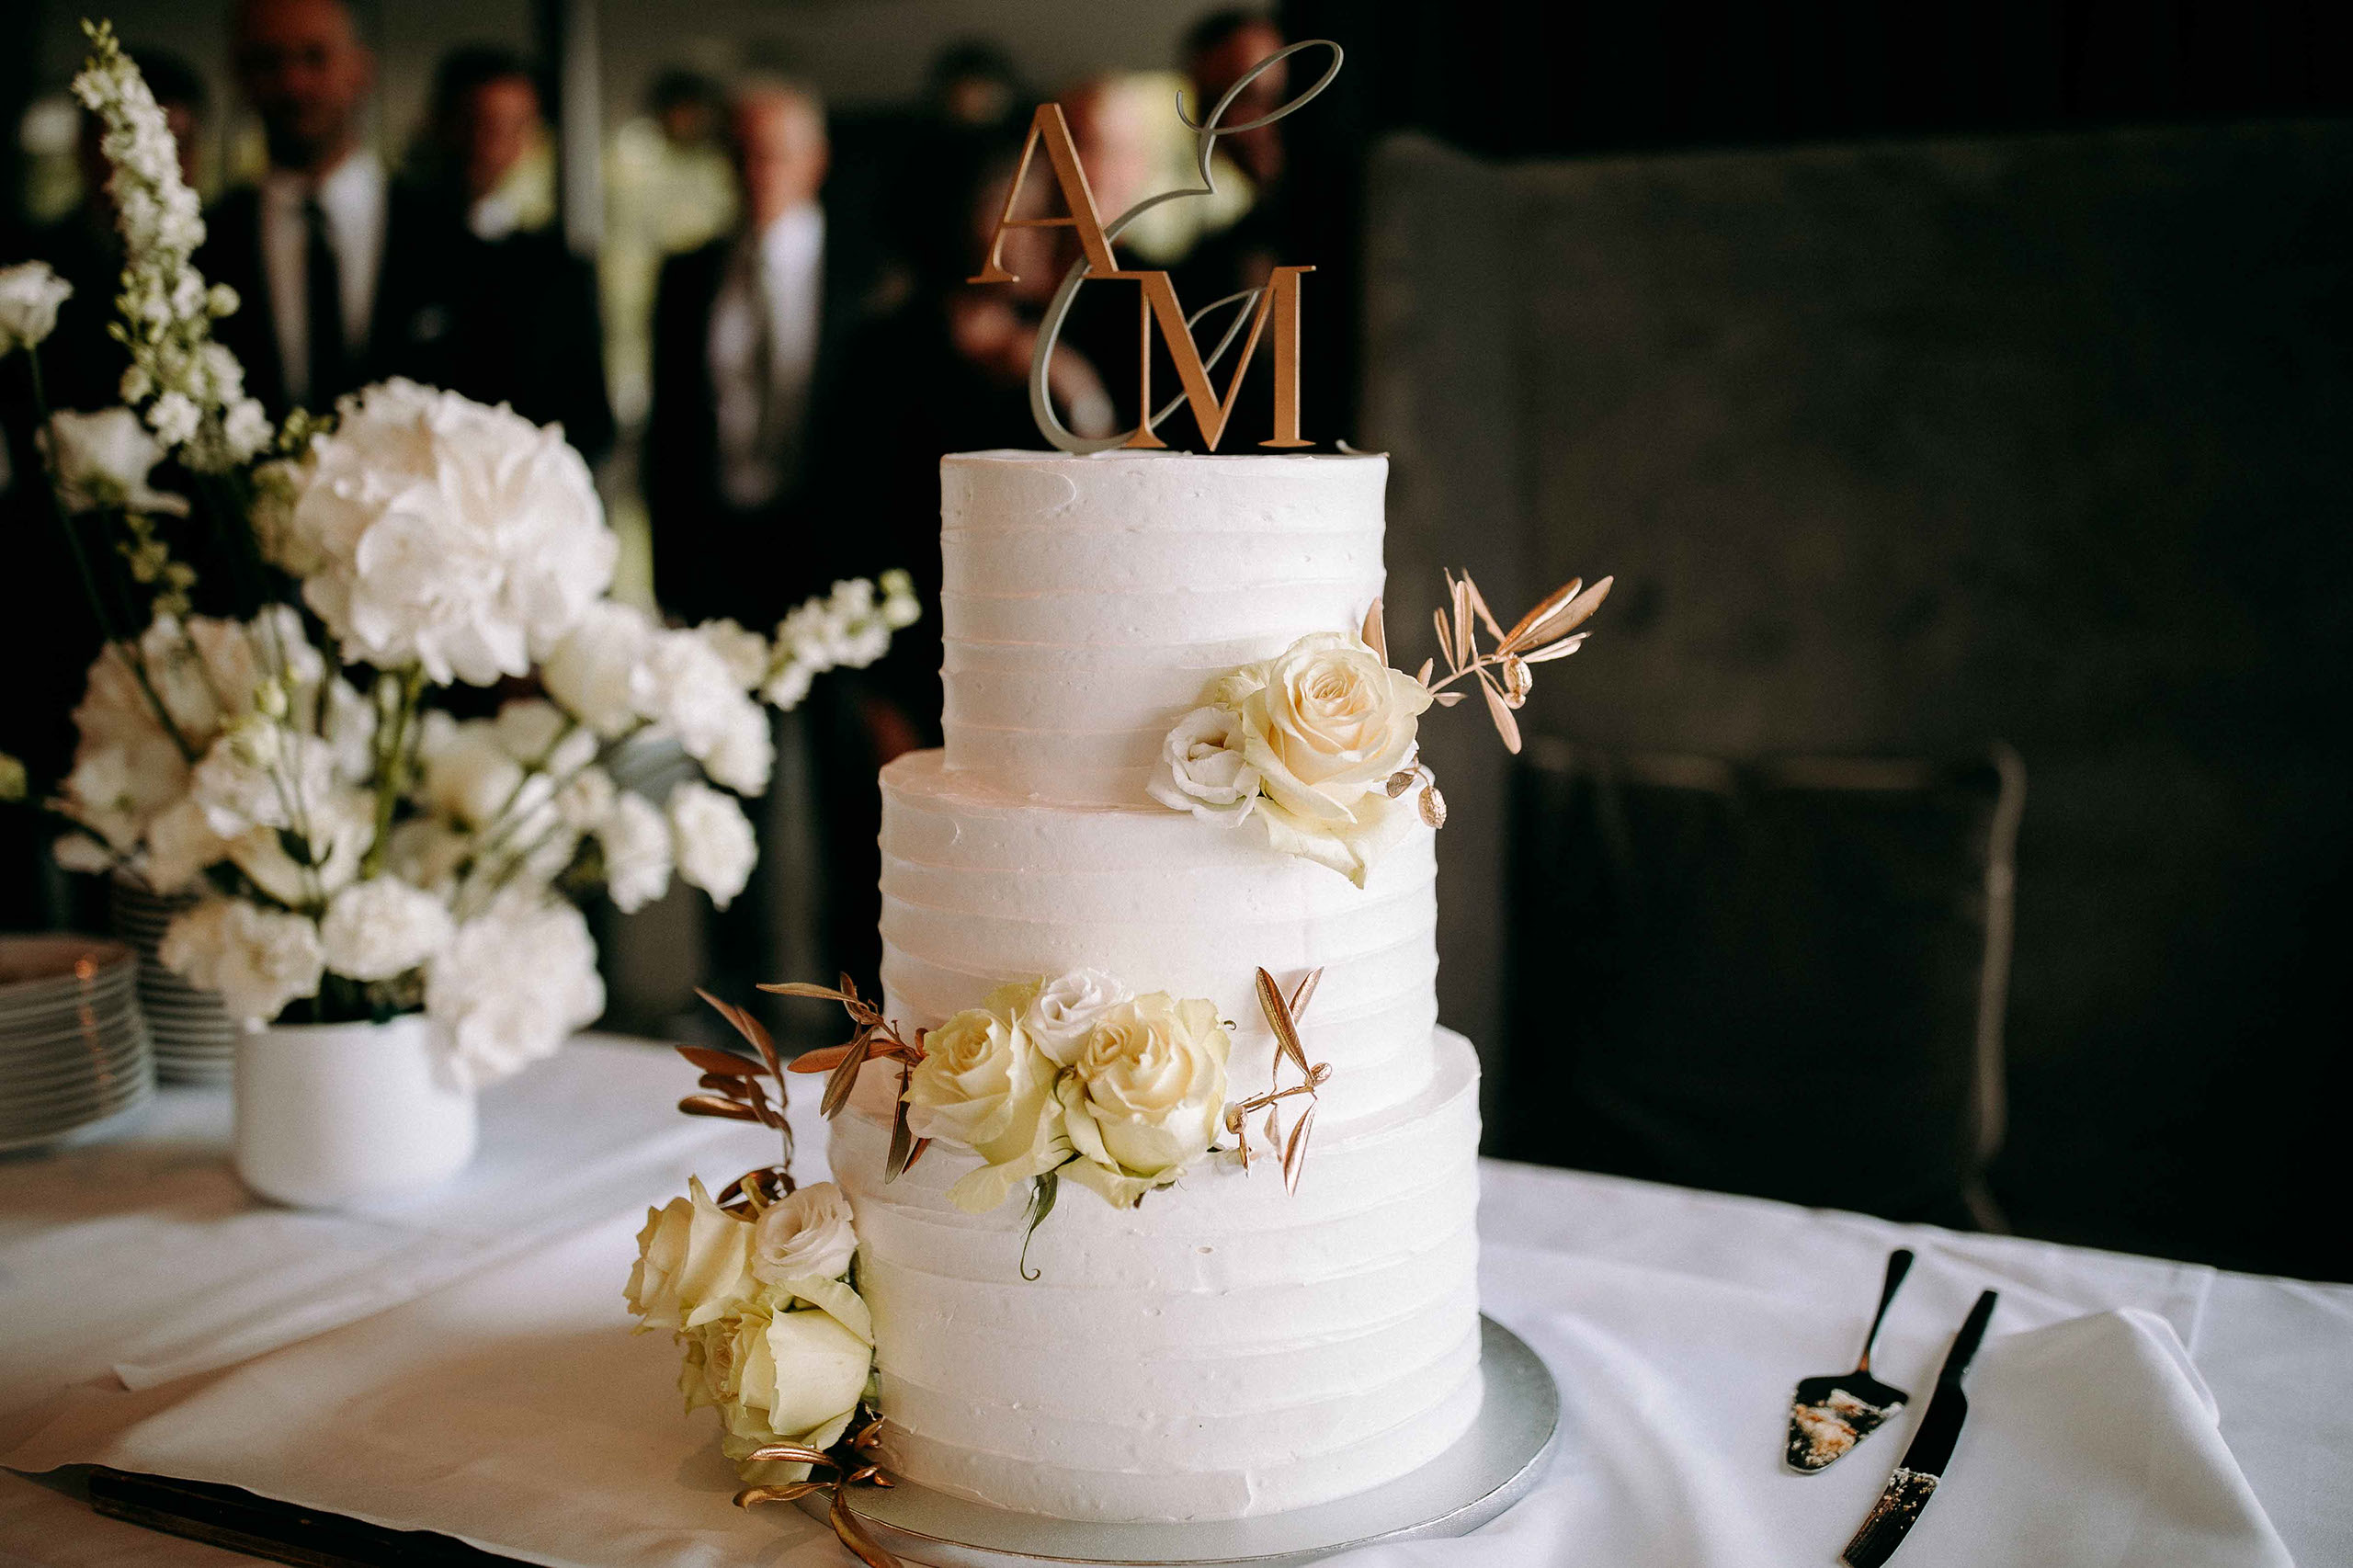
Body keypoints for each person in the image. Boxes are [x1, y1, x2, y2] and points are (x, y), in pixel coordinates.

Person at [644, 78, 872, 628]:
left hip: (827, 544)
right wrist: (667, 573)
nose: (756, 170)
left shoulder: (868, 278)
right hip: (713, 548)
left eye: (773, 154)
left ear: (814, 160)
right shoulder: (686, 275)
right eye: (741, 152)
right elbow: (669, 430)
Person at [409, 45, 614, 461]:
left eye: (509, 128)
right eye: (477, 124)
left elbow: (590, 419)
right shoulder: (397, 251)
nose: (489, 146)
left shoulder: (559, 269)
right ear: (443, 125)